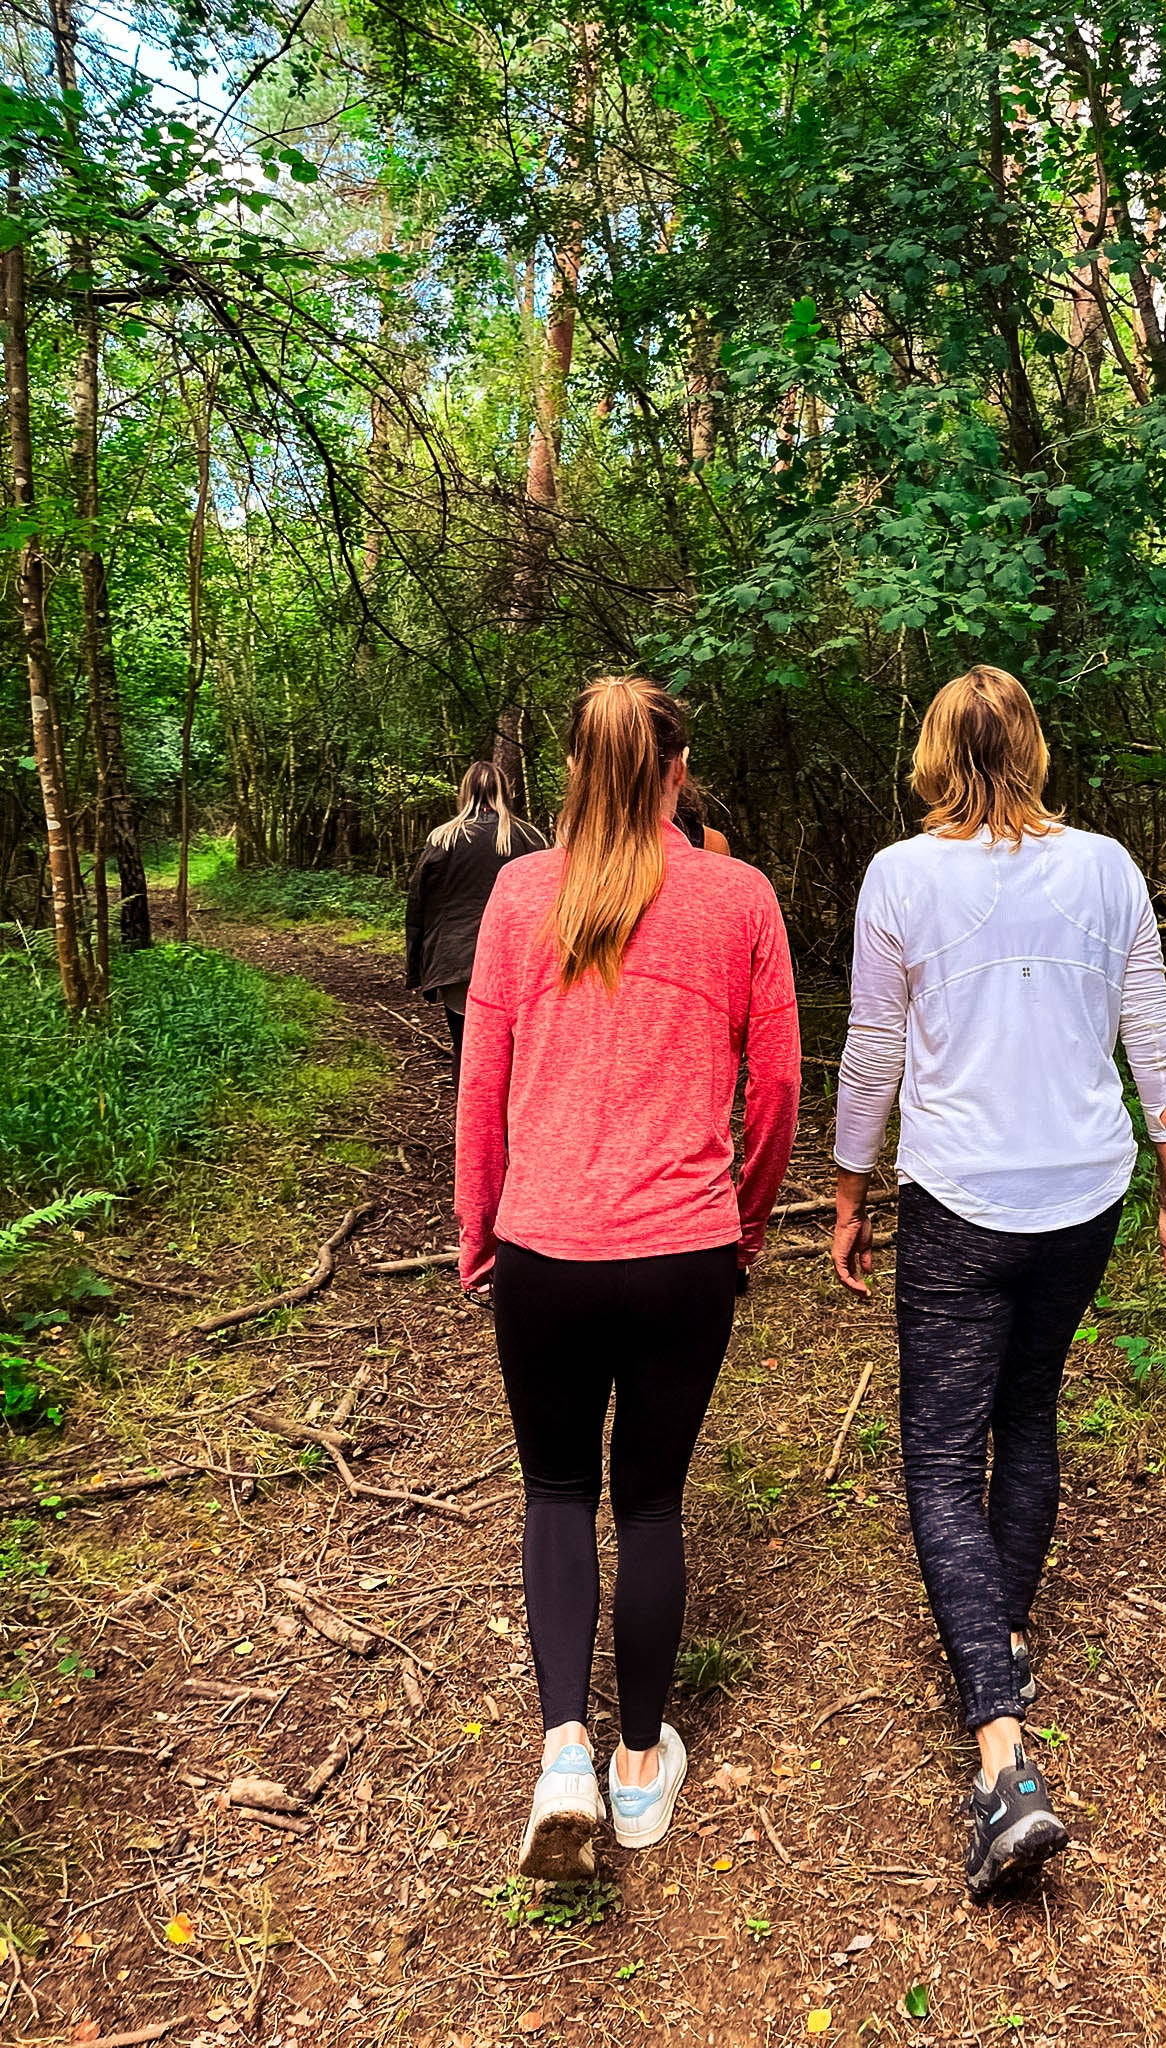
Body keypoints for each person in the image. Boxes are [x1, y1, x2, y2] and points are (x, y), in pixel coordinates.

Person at [829, 665, 1166, 1899]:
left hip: (959, 1198)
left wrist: (847, 1186)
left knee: (943, 1454)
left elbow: (876, 1046)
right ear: (1037, 749)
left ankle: (1002, 1756)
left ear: (939, 753)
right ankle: (999, 1640)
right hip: (1084, 1195)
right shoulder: (1106, 866)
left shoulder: (902, 874)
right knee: (1030, 1415)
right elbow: (1151, 1031)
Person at [455, 674, 800, 1879]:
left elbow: (481, 1079)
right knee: (649, 1498)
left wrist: (478, 1226)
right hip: (682, 1254)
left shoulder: (517, 894)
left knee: (557, 1491)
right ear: (676, 769)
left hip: (544, 1247)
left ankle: (563, 1752)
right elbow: (780, 1087)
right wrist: (744, 1223)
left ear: (572, 769)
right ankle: (642, 1762)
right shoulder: (737, 895)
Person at [405, 762, 544, 1086]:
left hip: (457, 962)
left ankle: (472, 1132)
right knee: (516, 1053)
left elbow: (418, 905)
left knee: (466, 1050)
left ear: (464, 791)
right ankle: (510, 1132)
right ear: (505, 792)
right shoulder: (529, 838)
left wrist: (418, 968)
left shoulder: (443, 839)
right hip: (516, 962)